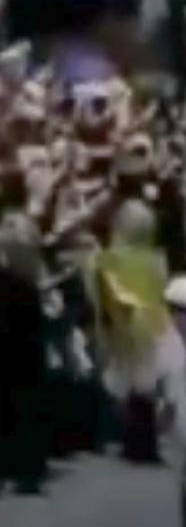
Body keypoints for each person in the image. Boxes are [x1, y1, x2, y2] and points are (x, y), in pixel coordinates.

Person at [91, 201, 182, 463]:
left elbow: (105, 295)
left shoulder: (108, 259)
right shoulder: (158, 259)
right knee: (147, 386)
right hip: (155, 323)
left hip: (124, 324)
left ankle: (130, 441)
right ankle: (146, 442)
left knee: (127, 383)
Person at [0, 209, 49, 493]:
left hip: (13, 353)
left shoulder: (11, 282)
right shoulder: (28, 285)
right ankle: (28, 467)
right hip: (27, 356)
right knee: (27, 408)